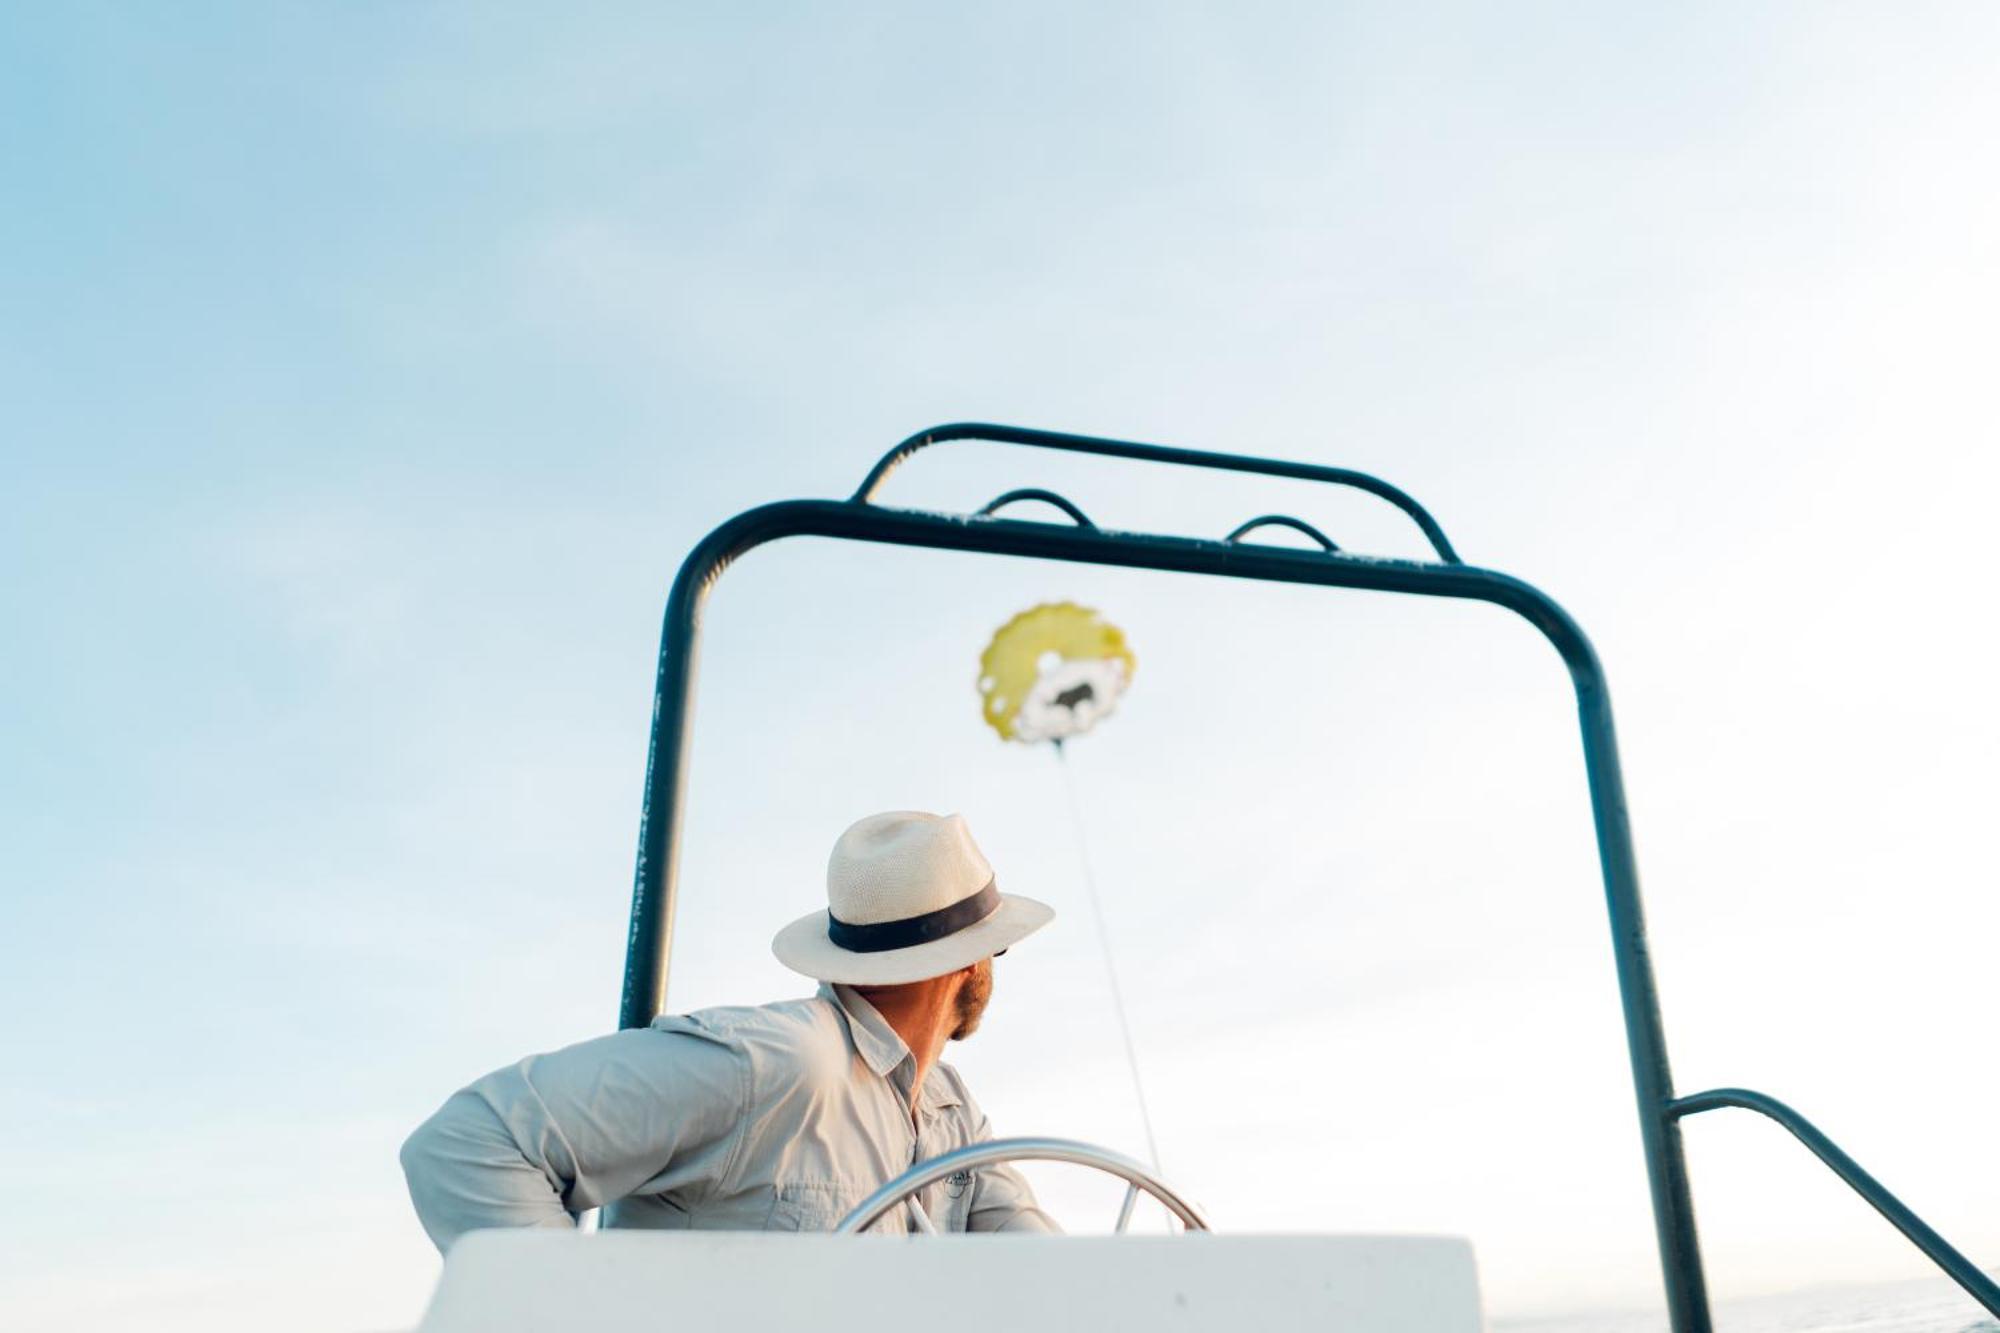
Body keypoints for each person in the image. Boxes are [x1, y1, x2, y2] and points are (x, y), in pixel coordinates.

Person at [400, 810, 1060, 1249]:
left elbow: (1050, 1274)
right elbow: (465, 1143)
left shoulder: (954, 1115)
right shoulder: (781, 1062)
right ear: (973, 960)